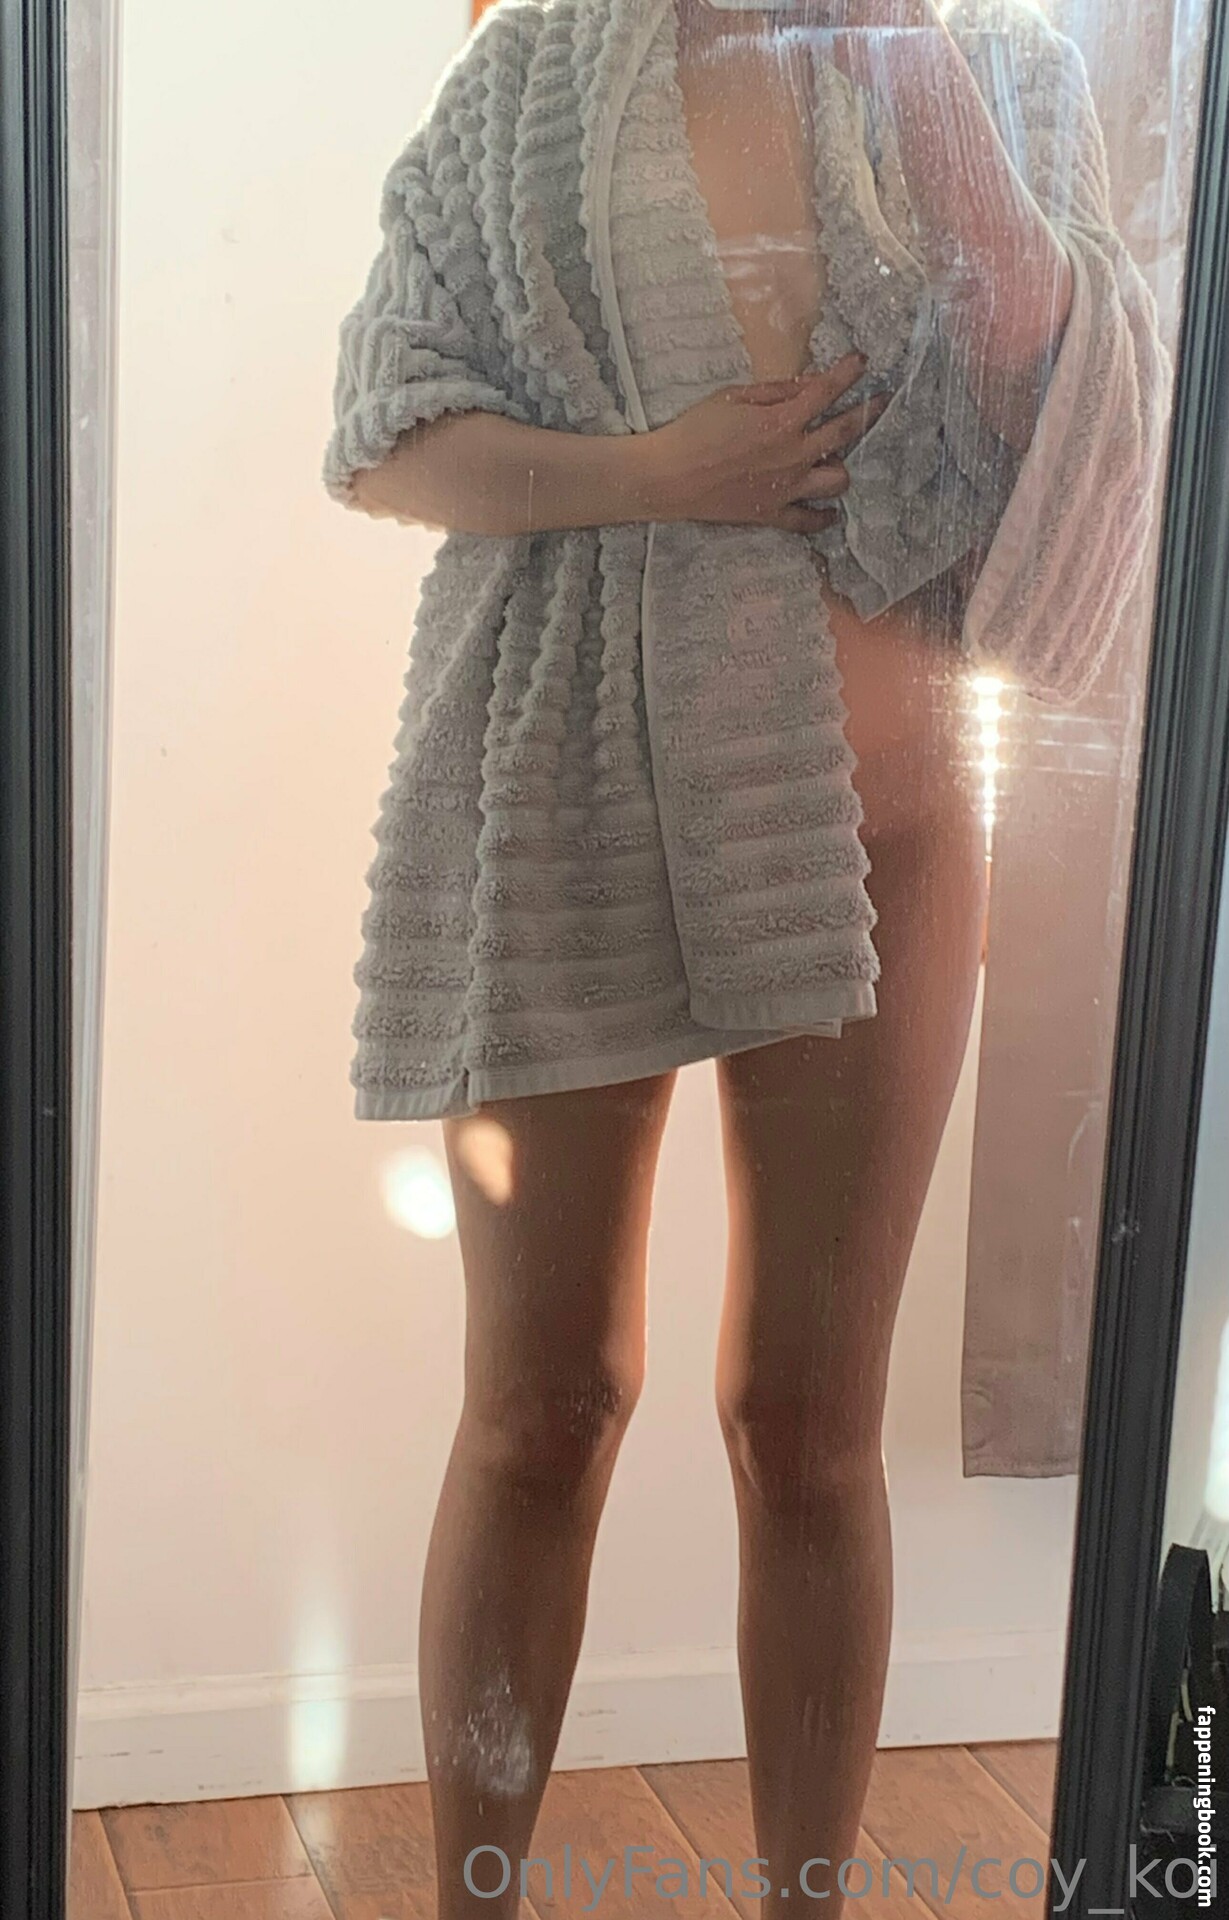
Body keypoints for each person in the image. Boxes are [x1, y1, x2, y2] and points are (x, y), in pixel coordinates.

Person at [323, 2, 1165, 1912]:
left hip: (883, 831)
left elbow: (1054, 373)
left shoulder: (992, 68)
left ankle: (806, 1903)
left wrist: (908, 51)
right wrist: (655, 471)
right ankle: (473, 1898)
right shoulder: (530, 73)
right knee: (540, 1408)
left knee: (808, 1419)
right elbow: (389, 438)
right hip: (564, 802)